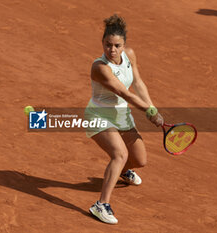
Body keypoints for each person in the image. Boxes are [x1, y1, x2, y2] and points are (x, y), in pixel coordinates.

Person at [85, 14, 164, 224]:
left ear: (124, 45)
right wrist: (149, 112)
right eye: (108, 45)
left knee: (140, 160)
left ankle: (122, 170)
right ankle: (101, 205)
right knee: (119, 154)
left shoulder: (129, 55)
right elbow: (126, 94)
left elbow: (137, 82)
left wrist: (152, 107)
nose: (112, 50)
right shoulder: (100, 68)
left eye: (117, 45)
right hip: (98, 117)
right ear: (102, 43)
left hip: (122, 116)